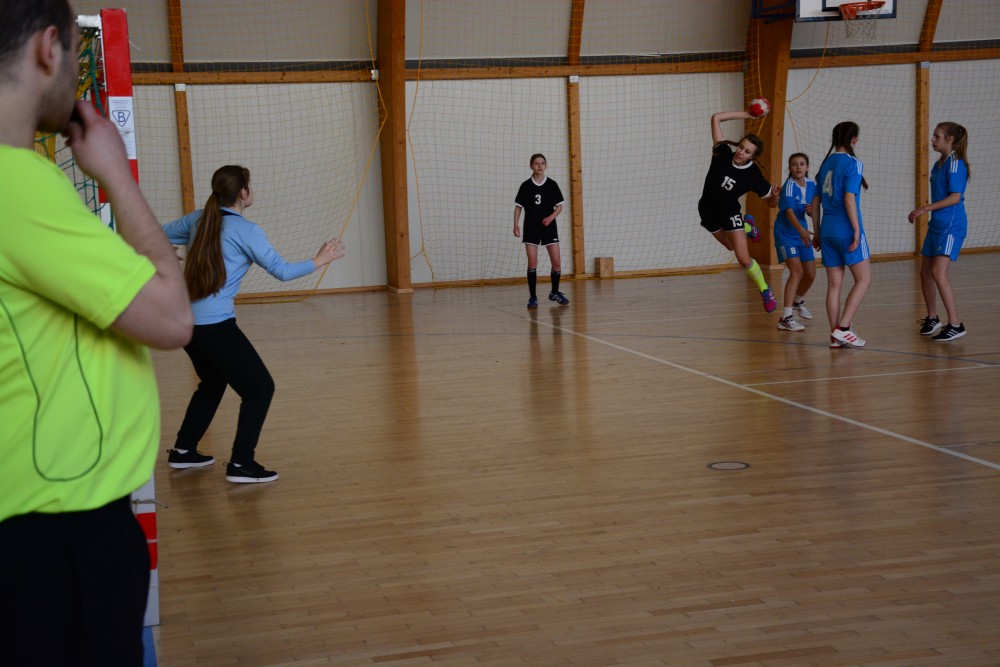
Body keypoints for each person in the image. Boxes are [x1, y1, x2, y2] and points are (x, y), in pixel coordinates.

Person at [0, 1, 194, 663]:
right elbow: (172, 316)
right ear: (49, 48)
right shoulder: (16, 186)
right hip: (55, 533)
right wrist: (114, 171)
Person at [163, 166, 345, 483]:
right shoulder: (246, 231)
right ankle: (241, 464)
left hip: (185, 323)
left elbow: (157, 235)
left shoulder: (198, 219)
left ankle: (184, 450)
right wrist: (321, 259)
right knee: (260, 388)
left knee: (213, 382)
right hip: (213, 326)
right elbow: (282, 272)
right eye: (251, 186)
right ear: (244, 193)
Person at [699, 109, 781, 313]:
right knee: (729, 246)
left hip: (729, 213)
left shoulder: (753, 175)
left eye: (747, 152)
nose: (741, 152)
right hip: (707, 209)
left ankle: (765, 290)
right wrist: (748, 114)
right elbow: (716, 118)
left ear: (752, 156)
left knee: (743, 259)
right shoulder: (722, 153)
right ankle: (748, 227)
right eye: (741, 147)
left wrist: (775, 196)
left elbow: (772, 204)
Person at [908, 122, 970, 342]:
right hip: (937, 225)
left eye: (937, 136)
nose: (932, 140)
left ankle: (955, 324)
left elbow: (955, 197)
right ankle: (932, 318)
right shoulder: (939, 164)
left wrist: (924, 208)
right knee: (925, 272)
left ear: (949, 139)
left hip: (951, 226)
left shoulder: (955, 163)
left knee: (938, 272)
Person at [812, 121, 872, 348]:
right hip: (846, 229)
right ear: (854, 140)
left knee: (834, 286)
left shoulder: (825, 163)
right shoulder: (853, 163)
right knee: (864, 280)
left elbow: (815, 202)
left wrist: (817, 232)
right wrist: (856, 230)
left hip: (827, 229)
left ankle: (835, 337)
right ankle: (844, 328)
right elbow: (849, 198)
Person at [513, 153, 569, 308]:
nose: (539, 166)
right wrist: (516, 224)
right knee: (532, 263)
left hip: (549, 228)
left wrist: (550, 218)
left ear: (546, 166)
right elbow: (518, 207)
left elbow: (559, 207)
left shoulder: (552, 184)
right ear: (531, 166)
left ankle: (554, 292)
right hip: (531, 228)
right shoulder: (525, 186)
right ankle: (533, 297)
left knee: (556, 262)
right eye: (536, 163)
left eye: (542, 163)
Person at [774, 153, 817, 331]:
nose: (798, 167)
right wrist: (801, 231)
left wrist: (811, 212)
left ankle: (797, 301)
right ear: (789, 168)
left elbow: (814, 210)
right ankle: (786, 318)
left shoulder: (812, 185)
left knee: (811, 274)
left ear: (807, 167)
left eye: (802, 164)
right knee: (797, 272)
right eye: (794, 164)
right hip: (786, 234)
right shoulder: (789, 186)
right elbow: (789, 212)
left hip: (802, 233)